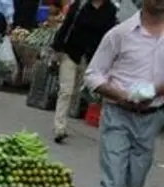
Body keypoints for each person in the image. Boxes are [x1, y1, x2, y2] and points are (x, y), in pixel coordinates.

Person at [74, 0, 164, 187]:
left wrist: (154, 91)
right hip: (118, 115)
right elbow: (92, 75)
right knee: (113, 184)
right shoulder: (120, 34)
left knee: (133, 184)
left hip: (152, 118)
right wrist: (122, 95)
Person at [50, 0, 119, 142]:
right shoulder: (80, 5)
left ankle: (65, 121)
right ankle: (59, 127)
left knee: (76, 92)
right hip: (71, 53)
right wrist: (56, 48)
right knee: (66, 91)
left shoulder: (110, 10)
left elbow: (110, 36)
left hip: (92, 58)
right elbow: (66, 26)